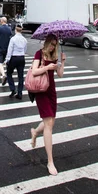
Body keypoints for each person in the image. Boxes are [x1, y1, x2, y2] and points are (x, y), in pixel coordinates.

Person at [30, 35, 66, 176]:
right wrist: (46, 67)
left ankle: (35, 132)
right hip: (41, 91)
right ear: (46, 43)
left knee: (50, 122)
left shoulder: (54, 56)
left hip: (51, 91)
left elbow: (60, 74)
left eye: (55, 45)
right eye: (51, 44)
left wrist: (62, 62)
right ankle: (50, 161)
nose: (52, 47)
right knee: (49, 124)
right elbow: (34, 71)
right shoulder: (39, 53)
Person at [5, 24, 27, 99]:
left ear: (15, 30)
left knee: (9, 73)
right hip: (21, 57)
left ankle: (13, 89)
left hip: (14, 57)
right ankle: (20, 93)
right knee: (20, 76)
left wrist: (7, 59)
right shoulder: (24, 39)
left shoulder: (13, 39)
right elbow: (25, 49)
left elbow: (10, 50)